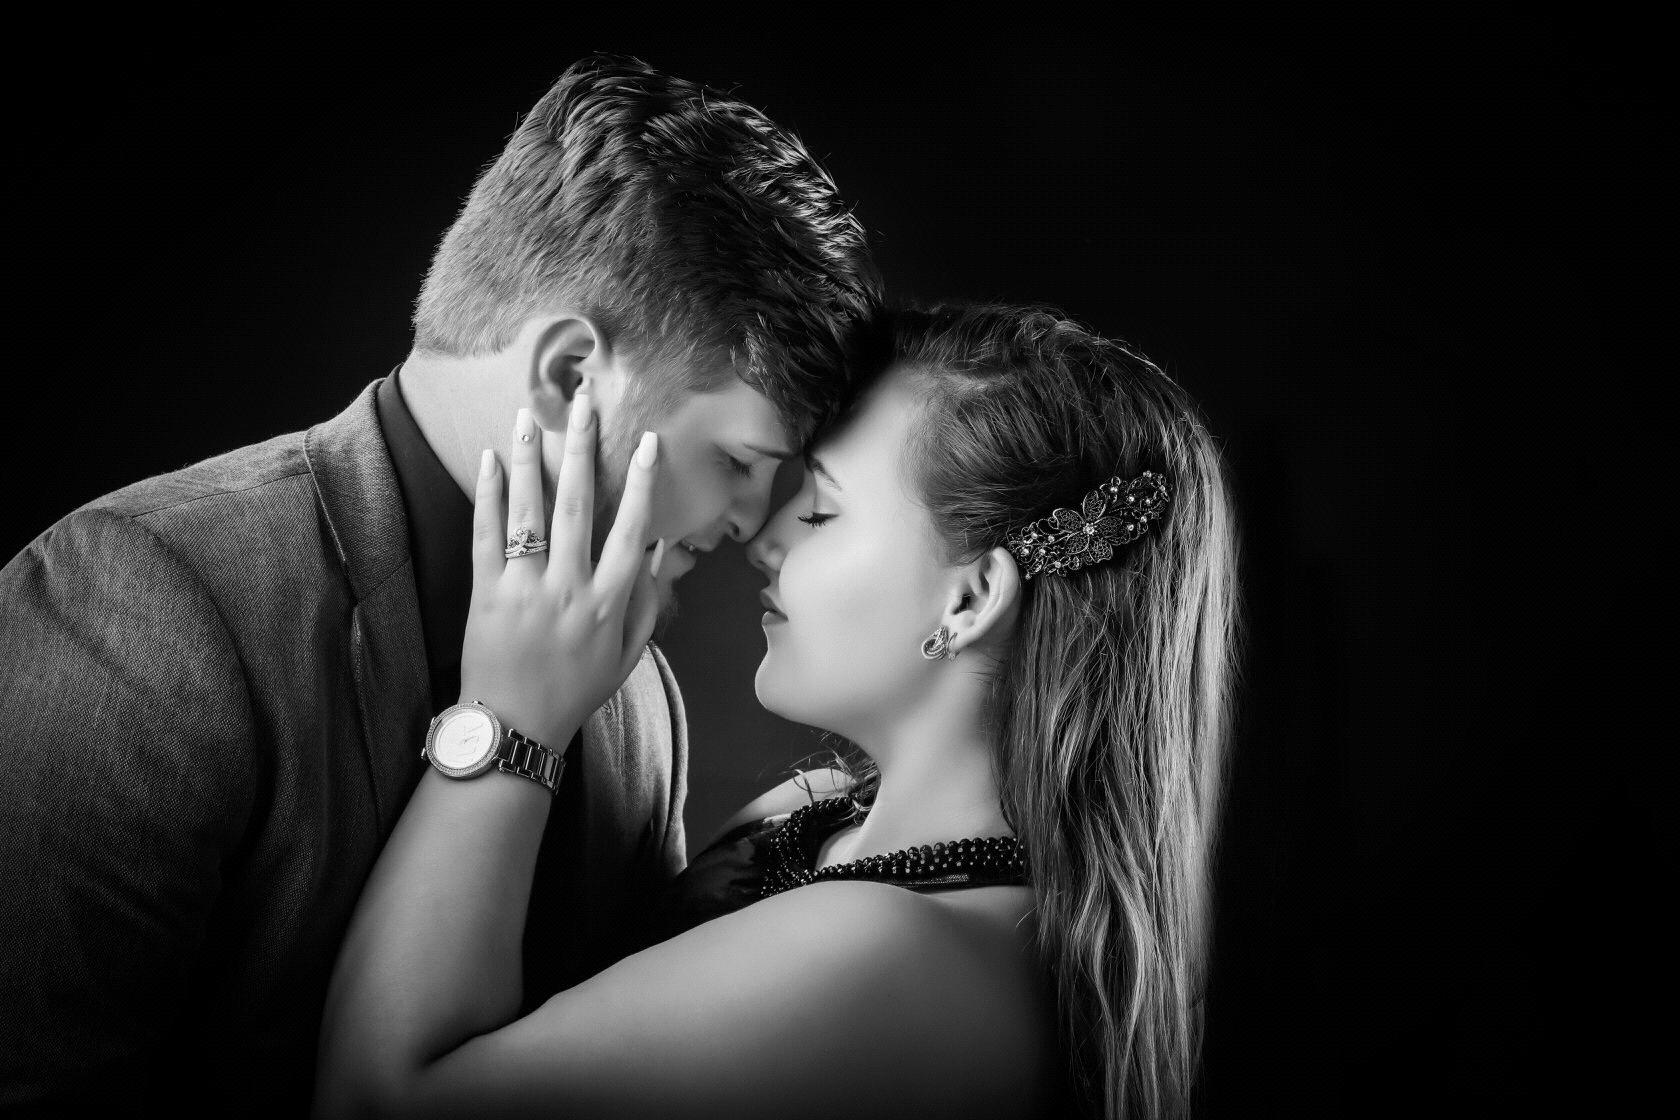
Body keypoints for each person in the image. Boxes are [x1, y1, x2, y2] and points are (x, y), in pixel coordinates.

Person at [0, 55, 877, 1114]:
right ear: (568, 375)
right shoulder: (143, 601)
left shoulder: (643, 696)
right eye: (738, 460)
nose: (750, 522)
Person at [316, 303, 1241, 1119]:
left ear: (969, 600)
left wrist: (509, 715)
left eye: (822, 512)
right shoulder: (816, 814)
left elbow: (379, 1104)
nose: (762, 536)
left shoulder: (880, 954)